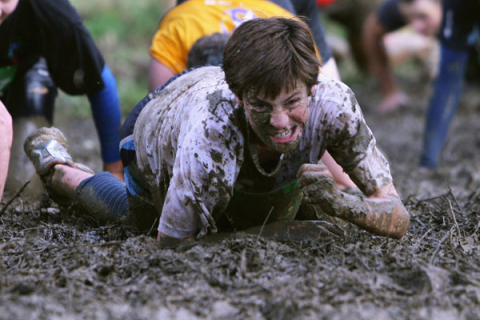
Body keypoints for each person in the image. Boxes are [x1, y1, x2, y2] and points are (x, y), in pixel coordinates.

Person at [24, 17, 410, 242]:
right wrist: (274, 233)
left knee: (299, 202)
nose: (279, 121)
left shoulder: (334, 104)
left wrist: (344, 203)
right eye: (262, 106)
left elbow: (397, 215)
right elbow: (172, 248)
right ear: (241, 98)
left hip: (210, 94)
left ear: (312, 89)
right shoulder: (212, 131)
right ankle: (56, 166)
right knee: (134, 219)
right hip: (156, 122)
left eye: (293, 103)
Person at [149, 0, 354, 190]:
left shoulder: (296, 61)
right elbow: (157, 117)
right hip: (200, 17)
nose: (279, 121)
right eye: (260, 106)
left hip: (277, 16)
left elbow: (330, 117)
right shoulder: (177, 35)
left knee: (330, 111)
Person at [0, 0, 124, 197]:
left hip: (22, 83)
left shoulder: (54, 13)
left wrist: (115, 168)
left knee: (21, 184)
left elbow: (100, 82)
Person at [363, 0, 480, 169]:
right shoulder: (405, 6)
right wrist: (389, 90)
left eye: (422, 17)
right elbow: (372, 29)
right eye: (409, 20)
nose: (416, 27)